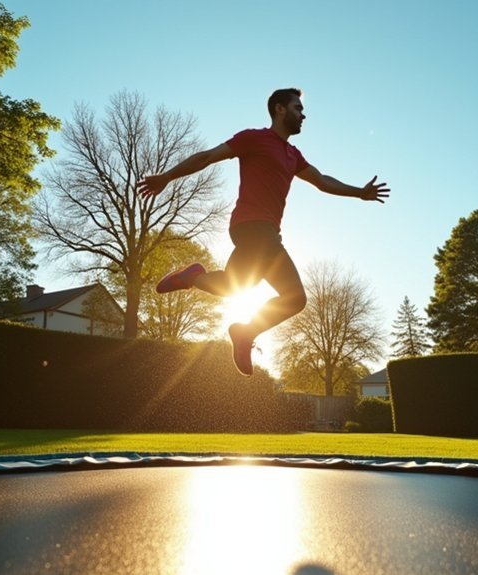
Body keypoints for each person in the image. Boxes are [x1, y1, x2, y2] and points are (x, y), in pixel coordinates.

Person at [136, 88, 389, 376]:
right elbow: (207, 157)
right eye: (297, 108)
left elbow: (321, 181)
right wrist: (167, 176)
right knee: (294, 297)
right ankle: (244, 331)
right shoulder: (254, 139)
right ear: (279, 109)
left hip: (265, 232)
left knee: (235, 287)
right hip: (252, 226)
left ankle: (193, 277)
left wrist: (359, 193)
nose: (303, 115)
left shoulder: (293, 155)